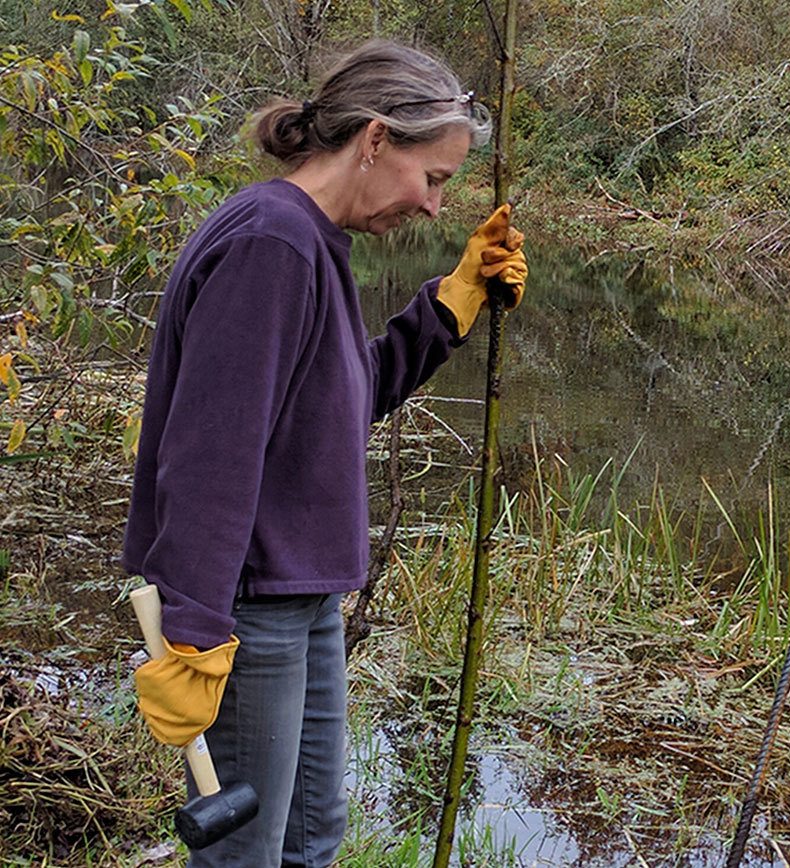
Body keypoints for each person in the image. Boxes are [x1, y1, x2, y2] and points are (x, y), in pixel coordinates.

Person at [121, 40, 527, 866]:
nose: (434, 206)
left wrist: (452, 304)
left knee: (311, 840)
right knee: (250, 853)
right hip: (248, 609)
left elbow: (336, 406)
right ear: (376, 140)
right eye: (435, 177)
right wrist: (195, 632)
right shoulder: (272, 243)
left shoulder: (307, 239)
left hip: (300, 597)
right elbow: (211, 452)